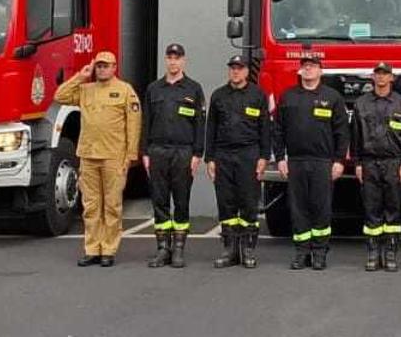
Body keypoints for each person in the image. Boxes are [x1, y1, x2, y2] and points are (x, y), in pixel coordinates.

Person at [52, 51, 141, 267]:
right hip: (89, 156)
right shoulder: (85, 90)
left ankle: (108, 249)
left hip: (113, 156)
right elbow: (59, 96)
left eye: (105, 66)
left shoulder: (124, 91)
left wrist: (130, 156)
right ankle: (92, 249)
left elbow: (134, 124)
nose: (101, 69)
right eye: (98, 66)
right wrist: (81, 76)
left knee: (111, 205)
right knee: (91, 205)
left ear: (114, 68)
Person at [269, 55, 348, 270]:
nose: (309, 69)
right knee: (298, 208)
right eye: (305, 66)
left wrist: (340, 161)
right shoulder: (288, 97)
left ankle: (320, 252)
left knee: (321, 208)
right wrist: (280, 159)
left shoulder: (332, 98)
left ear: (321, 71)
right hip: (295, 161)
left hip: (322, 162)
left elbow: (342, 132)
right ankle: (302, 252)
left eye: (313, 66)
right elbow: (278, 131)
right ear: (300, 71)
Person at [141, 43, 205, 268]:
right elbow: (146, 122)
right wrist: (145, 152)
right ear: (166, 60)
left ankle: (178, 249)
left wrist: (198, 153)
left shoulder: (194, 89)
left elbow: (200, 124)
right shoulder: (153, 89)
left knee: (181, 200)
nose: (173, 61)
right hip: (158, 151)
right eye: (169, 57)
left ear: (183, 61)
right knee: (159, 201)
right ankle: (162, 249)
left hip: (183, 151)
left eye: (177, 58)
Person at [206, 55, 268, 269]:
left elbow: (265, 130)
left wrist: (263, 157)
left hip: (248, 154)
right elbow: (210, 129)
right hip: (223, 155)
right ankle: (229, 250)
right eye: (232, 68)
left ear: (246, 71)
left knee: (248, 203)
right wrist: (210, 158)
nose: (235, 72)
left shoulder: (257, 95)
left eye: (239, 68)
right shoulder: (218, 96)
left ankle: (248, 250)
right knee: (226, 203)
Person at [350, 62, 401, 272]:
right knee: (371, 210)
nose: (381, 78)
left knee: (393, 211)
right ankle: (373, 252)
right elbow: (355, 137)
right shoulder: (361, 104)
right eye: (378, 74)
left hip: (393, 163)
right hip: (369, 162)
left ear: (392, 78)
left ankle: (391, 252)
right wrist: (357, 164)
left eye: (385, 74)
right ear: (372, 77)